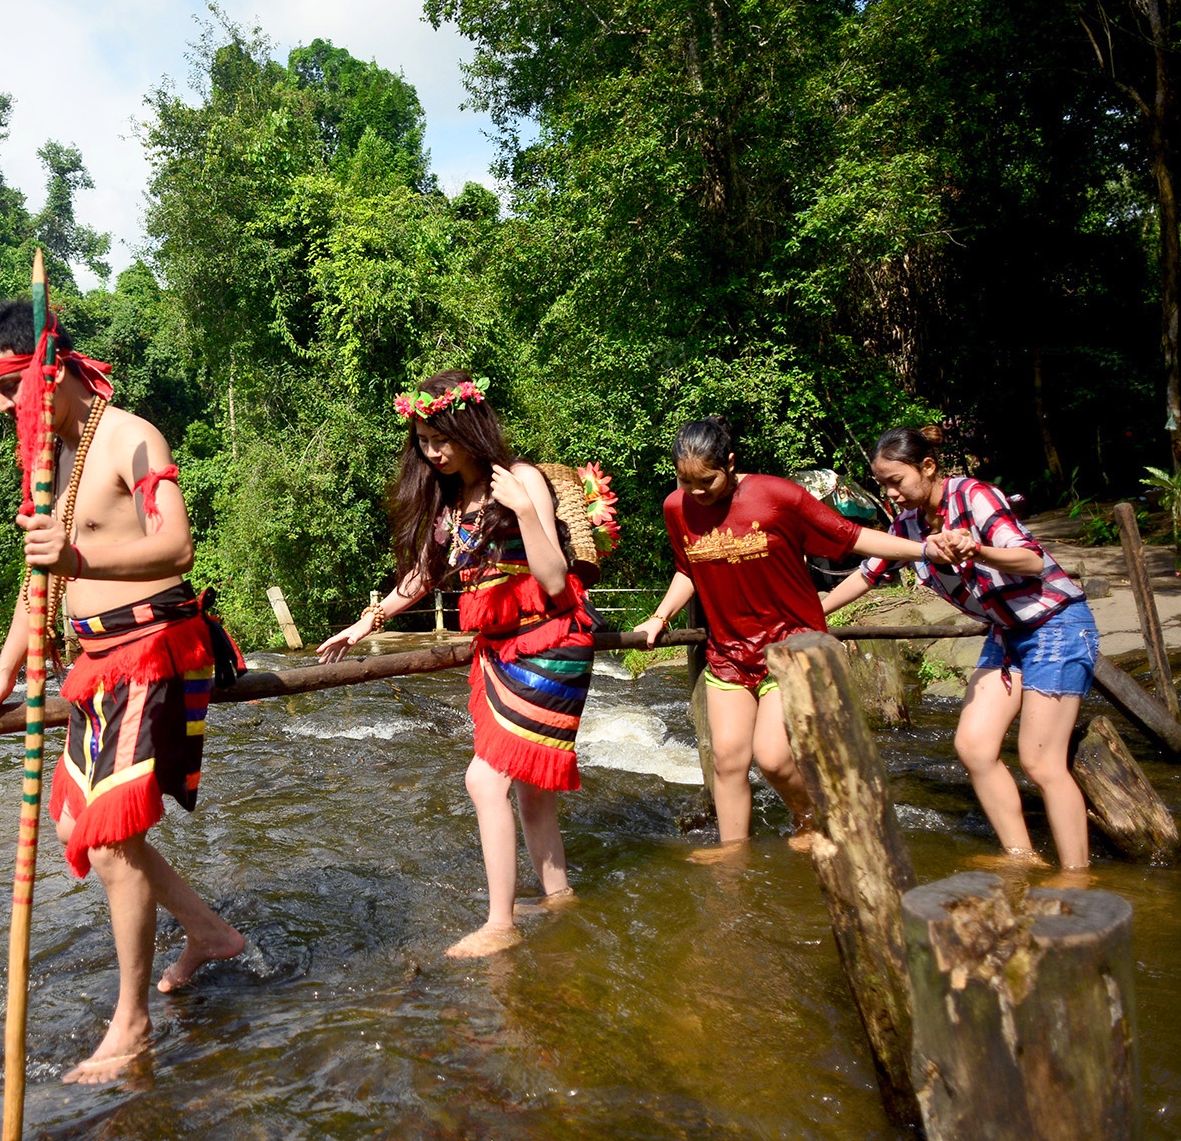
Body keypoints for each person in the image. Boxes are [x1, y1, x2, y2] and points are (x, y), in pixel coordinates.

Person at [0, 299, 245, 1084]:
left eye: (8, 388)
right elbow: (37, 585)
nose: (3, 407)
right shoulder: (52, 463)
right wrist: (0, 676)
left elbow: (177, 545)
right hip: (94, 667)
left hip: (151, 652)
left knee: (113, 836)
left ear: (45, 368)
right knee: (79, 829)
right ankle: (209, 932)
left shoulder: (130, 436)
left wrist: (80, 566)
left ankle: (132, 1023)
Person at [319, 371, 595, 959]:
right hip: (499, 649)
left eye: (440, 437)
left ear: (469, 426)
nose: (433, 451)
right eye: (422, 440)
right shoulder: (451, 502)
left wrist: (523, 510)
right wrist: (364, 623)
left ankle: (500, 925)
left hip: (549, 642)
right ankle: (558, 895)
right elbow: (419, 578)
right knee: (531, 790)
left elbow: (551, 578)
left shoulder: (520, 480)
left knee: (483, 778)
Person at [633, 416, 954, 857]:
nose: (697, 493)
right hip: (729, 653)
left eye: (706, 481)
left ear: (730, 462)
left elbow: (853, 536)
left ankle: (812, 820)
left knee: (774, 758)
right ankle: (734, 854)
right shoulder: (677, 507)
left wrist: (924, 549)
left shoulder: (778, 496)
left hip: (792, 646)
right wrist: (659, 616)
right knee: (727, 763)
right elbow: (687, 567)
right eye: (685, 482)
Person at [821, 426, 1100, 870]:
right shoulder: (908, 525)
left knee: (1041, 761)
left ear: (927, 467)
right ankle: (1023, 857)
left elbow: (1032, 560)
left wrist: (978, 550)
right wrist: (813, 616)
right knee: (973, 747)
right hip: (1007, 636)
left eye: (897, 481)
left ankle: (1076, 876)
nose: (891, 493)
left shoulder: (973, 496)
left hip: (1056, 626)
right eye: (883, 485)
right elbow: (868, 573)